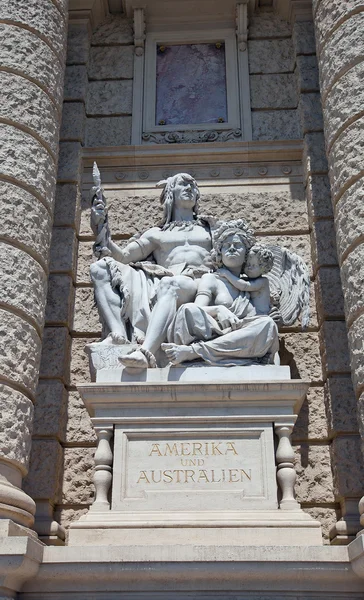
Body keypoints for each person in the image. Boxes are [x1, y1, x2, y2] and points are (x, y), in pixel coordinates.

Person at [90, 173, 215, 367]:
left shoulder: (211, 229)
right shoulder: (157, 234)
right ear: (170, 192)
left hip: (200, 282)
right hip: (166, 281)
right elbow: (122, 257)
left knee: (170, 284)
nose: (189, 188)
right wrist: (100, 225)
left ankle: (145, 353)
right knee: (99, 268)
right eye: (183, 184)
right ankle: (118, 336)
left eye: (193, 185)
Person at [162, 222, 279, 366]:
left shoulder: (253, 286)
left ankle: (193, 351)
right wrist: (218, 310)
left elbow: (262, 320)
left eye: (237, 245)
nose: (231, 248)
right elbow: (196, 310)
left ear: (247, 254)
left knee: (267, 324)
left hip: (242, 335)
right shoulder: (211, 279)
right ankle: (201, 350)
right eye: (226, 245)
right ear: (220, 252)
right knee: (186, 310)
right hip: (214, 330)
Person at [218, 243, 274, 316]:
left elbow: (244, 286)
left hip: (261, 315)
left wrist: (226, 274)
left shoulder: (263, 282)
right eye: (248, 265)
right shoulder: (246, 279)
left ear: (264, 269)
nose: (249, 268)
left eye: (254, 266)